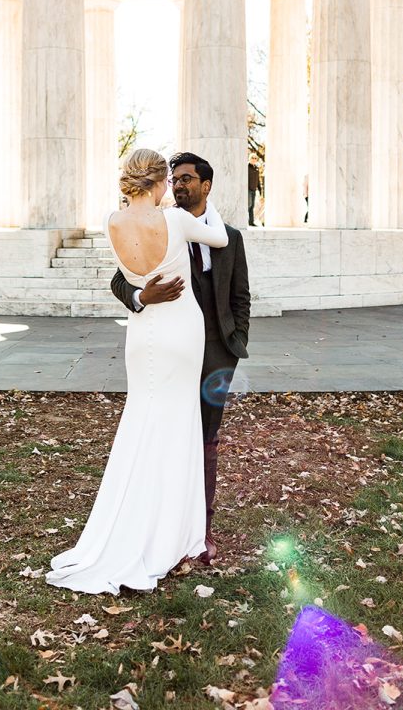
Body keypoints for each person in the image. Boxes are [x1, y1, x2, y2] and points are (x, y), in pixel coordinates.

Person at [46, 148, 228, 595]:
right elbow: (219, 237)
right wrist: (208, 202)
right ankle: (170, 533)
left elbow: (125, 275)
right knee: (176, 424)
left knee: (142, 419)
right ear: (160, 180)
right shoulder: (174, 220)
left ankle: (128, 523)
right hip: (182, 331)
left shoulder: (113, 222)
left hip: (142, 331)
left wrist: (144, 295)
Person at [111, 151, 251, 565]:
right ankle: (162, 525)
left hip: (217, 353)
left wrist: (235, 341)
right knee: (169, 433)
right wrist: (141, 297)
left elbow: (241, 296)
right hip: (172, 347)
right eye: (173, 179)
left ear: (206, 186)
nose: (178, 185)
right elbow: (120, 279)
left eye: (187, 179)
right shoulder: (159, 224)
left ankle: (201, 530)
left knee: (205, 440)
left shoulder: (231, 236)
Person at [247, 157, 262, 226]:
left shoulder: (256, 168)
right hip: (248, 189)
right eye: (252, 158)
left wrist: (260, 189)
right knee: (249, 205)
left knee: (252, 206)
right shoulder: (247, 167)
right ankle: (244, 220)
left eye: (255, 158)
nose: (254, 159)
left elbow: (258, 180)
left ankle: (251, 222)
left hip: (254, 189)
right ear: (249, 159)